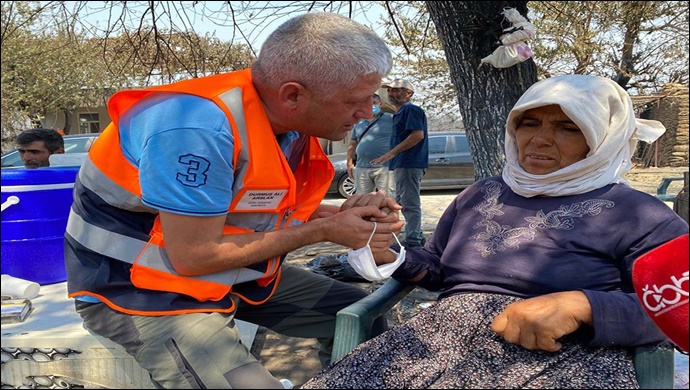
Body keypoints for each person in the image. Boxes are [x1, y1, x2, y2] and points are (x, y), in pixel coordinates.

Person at [64, 13, 404, 389]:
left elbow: (252, 210)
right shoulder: (196, 128)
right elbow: (194, 254)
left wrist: (341, 216)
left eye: (372, 98)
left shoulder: (288, 123)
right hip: (141, 292)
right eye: (354, 102)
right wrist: (325, 230)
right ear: (292, 94)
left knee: (360, 318)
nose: (367, 114)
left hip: (229, 278)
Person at [302, 74, 689, 389]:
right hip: (438, 343)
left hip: (563, 359)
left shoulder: (640, 215)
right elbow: (438, 270)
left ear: (602, 139)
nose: (539, 139)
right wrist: (390, 253)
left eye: (568, 127)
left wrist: (584, 306)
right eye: (529, 122)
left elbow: (681, 309)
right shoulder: (482, 193)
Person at [372, 78, 428, 248]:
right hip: (403, 163)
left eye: (396, 90)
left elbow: (417, 135)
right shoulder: (400, 112)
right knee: (402, 200)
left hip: (410, 163)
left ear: (408, 94)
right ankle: (416, 236)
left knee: (409, 203)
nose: (391, 93)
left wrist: (389, 154)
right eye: (389, 90)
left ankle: (413, 241)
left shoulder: (411, 109)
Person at [346, 93, 395, 197]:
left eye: (374, 103)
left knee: (388, 200)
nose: (371, 106)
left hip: (384, 167)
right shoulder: (358, 121)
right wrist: (349, 163)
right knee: (361, 200)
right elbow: (352, 144)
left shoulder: (391, 119)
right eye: (368, 103)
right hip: (362, 167)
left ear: (380, 103)